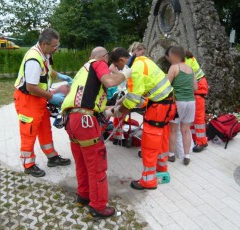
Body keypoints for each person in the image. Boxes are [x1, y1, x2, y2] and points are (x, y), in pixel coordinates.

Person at [61, 47, 132, 218]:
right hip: (85, 123)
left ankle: (83, 196)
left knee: (83, 162)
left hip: (72, 120)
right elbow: (108, 82)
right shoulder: (98, 63)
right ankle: (98, 207)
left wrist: (113, 108)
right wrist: (126, 74)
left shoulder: (83, 71)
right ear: (104, 57)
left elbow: (91, 103)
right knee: (97, 165)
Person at [109, 47, 175, 190]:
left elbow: (133, 100)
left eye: (117, 66)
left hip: (158, 108)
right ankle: (161, 169)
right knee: (162, 138)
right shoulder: (142, 60)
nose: (119, 70)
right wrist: (123, 101)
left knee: (149, 144)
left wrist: (117, 112)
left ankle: (148, 181)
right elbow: (142, 91)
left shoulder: (134, 71)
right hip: (168, 104)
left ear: (121, 60)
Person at [13, 28, 72, 177]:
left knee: (45, 128)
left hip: (38, 98)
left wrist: (60, 75)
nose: (56, 49)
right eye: (54, 46)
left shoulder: (44, 53)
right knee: (29, 131)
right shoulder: (33, 58)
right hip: (28, 100)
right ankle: (28, 164)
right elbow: (31, 87)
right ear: (44, 43)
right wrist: (52, 97)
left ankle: (52, 157)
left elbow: (47, 70)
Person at [165, 46, 197, 165]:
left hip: (178, 103)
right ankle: (187, 155)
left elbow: (166, 86)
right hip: (191, 102)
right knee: (186, 130)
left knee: (173, 130)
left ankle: (171, 155)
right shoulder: (190, 68)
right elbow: (195, 87)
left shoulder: (174, 68)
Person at [185, 51, 209, 152]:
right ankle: (197, 140)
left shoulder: (186, 62)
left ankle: (201, 142)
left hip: (198, 89)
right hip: (199, 88)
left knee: (198, 118)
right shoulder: (188, 59)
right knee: (195, 117)